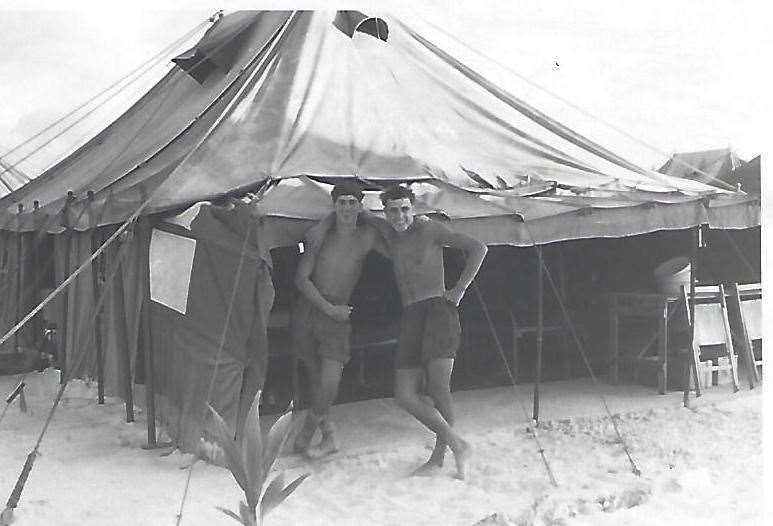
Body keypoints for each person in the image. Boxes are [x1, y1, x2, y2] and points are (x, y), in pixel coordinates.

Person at [370, 185, 487, 480]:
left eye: (405, 209)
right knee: (404, 395)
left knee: (438, 389)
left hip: (437, 311)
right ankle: (458, 443)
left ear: (414, 208)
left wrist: (459, 289)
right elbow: (358, 215)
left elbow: (478, 248)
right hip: (411, 315)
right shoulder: (389, 235)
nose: (400, 215)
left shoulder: (430, 229)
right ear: (385, 212)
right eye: (393, 210)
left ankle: (439, 457)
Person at [291, 181, 385, 459]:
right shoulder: (321, 236)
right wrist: (327, 308)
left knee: (330, 380)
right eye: (341, 203)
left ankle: (308, 431)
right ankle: (329, 435)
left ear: (360, 205)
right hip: (311, 309)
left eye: (352, 203)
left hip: (338, 312)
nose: (346, 208)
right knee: (315, 375)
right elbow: (301, 279)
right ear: (333, 206)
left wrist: (367, 214)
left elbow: (393, 234)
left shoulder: (367, 236)